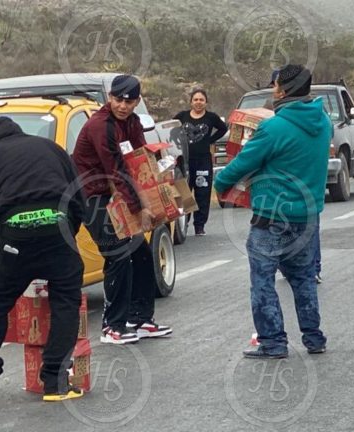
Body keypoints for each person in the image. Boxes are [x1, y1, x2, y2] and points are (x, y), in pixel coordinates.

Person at [214, 64, 330, 359]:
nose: (273, 89)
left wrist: (220, 182)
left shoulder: (274, 127)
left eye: (276, 85)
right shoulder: (323, 122)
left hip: (272, 217)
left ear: (285, 90)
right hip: (307, 216)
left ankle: (273, 342)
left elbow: (244, 163)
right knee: (303, 278)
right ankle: (313, 338)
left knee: (263, 279)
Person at [0, 117, 86, 401]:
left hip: (14, 236)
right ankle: (56, 383)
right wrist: (68, 232)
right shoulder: (51, 148)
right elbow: (79, 195)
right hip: (58, 226)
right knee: (66, 300)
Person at [72, 74, 172, 345]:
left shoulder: (134, 122)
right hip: (92, 196)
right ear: (109, 98)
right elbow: (116, 171)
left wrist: (163, 187)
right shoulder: (100, 126)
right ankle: (112, 327)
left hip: (116, 195)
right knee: (118, 253)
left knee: (140, 252)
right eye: (118, 99)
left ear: (137, 101)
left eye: (129, 101)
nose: (123, 106)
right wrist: (139, 209)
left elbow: (139, 161)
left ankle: (139, 319)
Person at [174, 89, 228, 236]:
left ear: (206, 102)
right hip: (185, 162)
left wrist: (210, 140)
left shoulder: (211, 117)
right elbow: (171, 130)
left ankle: (199, 226)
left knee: (202, 193)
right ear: (191, 101)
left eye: (201, 100)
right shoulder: (182, 116)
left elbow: (223, 129)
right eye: (196, 99)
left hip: (203, 161)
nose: (198, 102)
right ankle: (183, 225)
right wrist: (178, 144)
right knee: (185, 194)